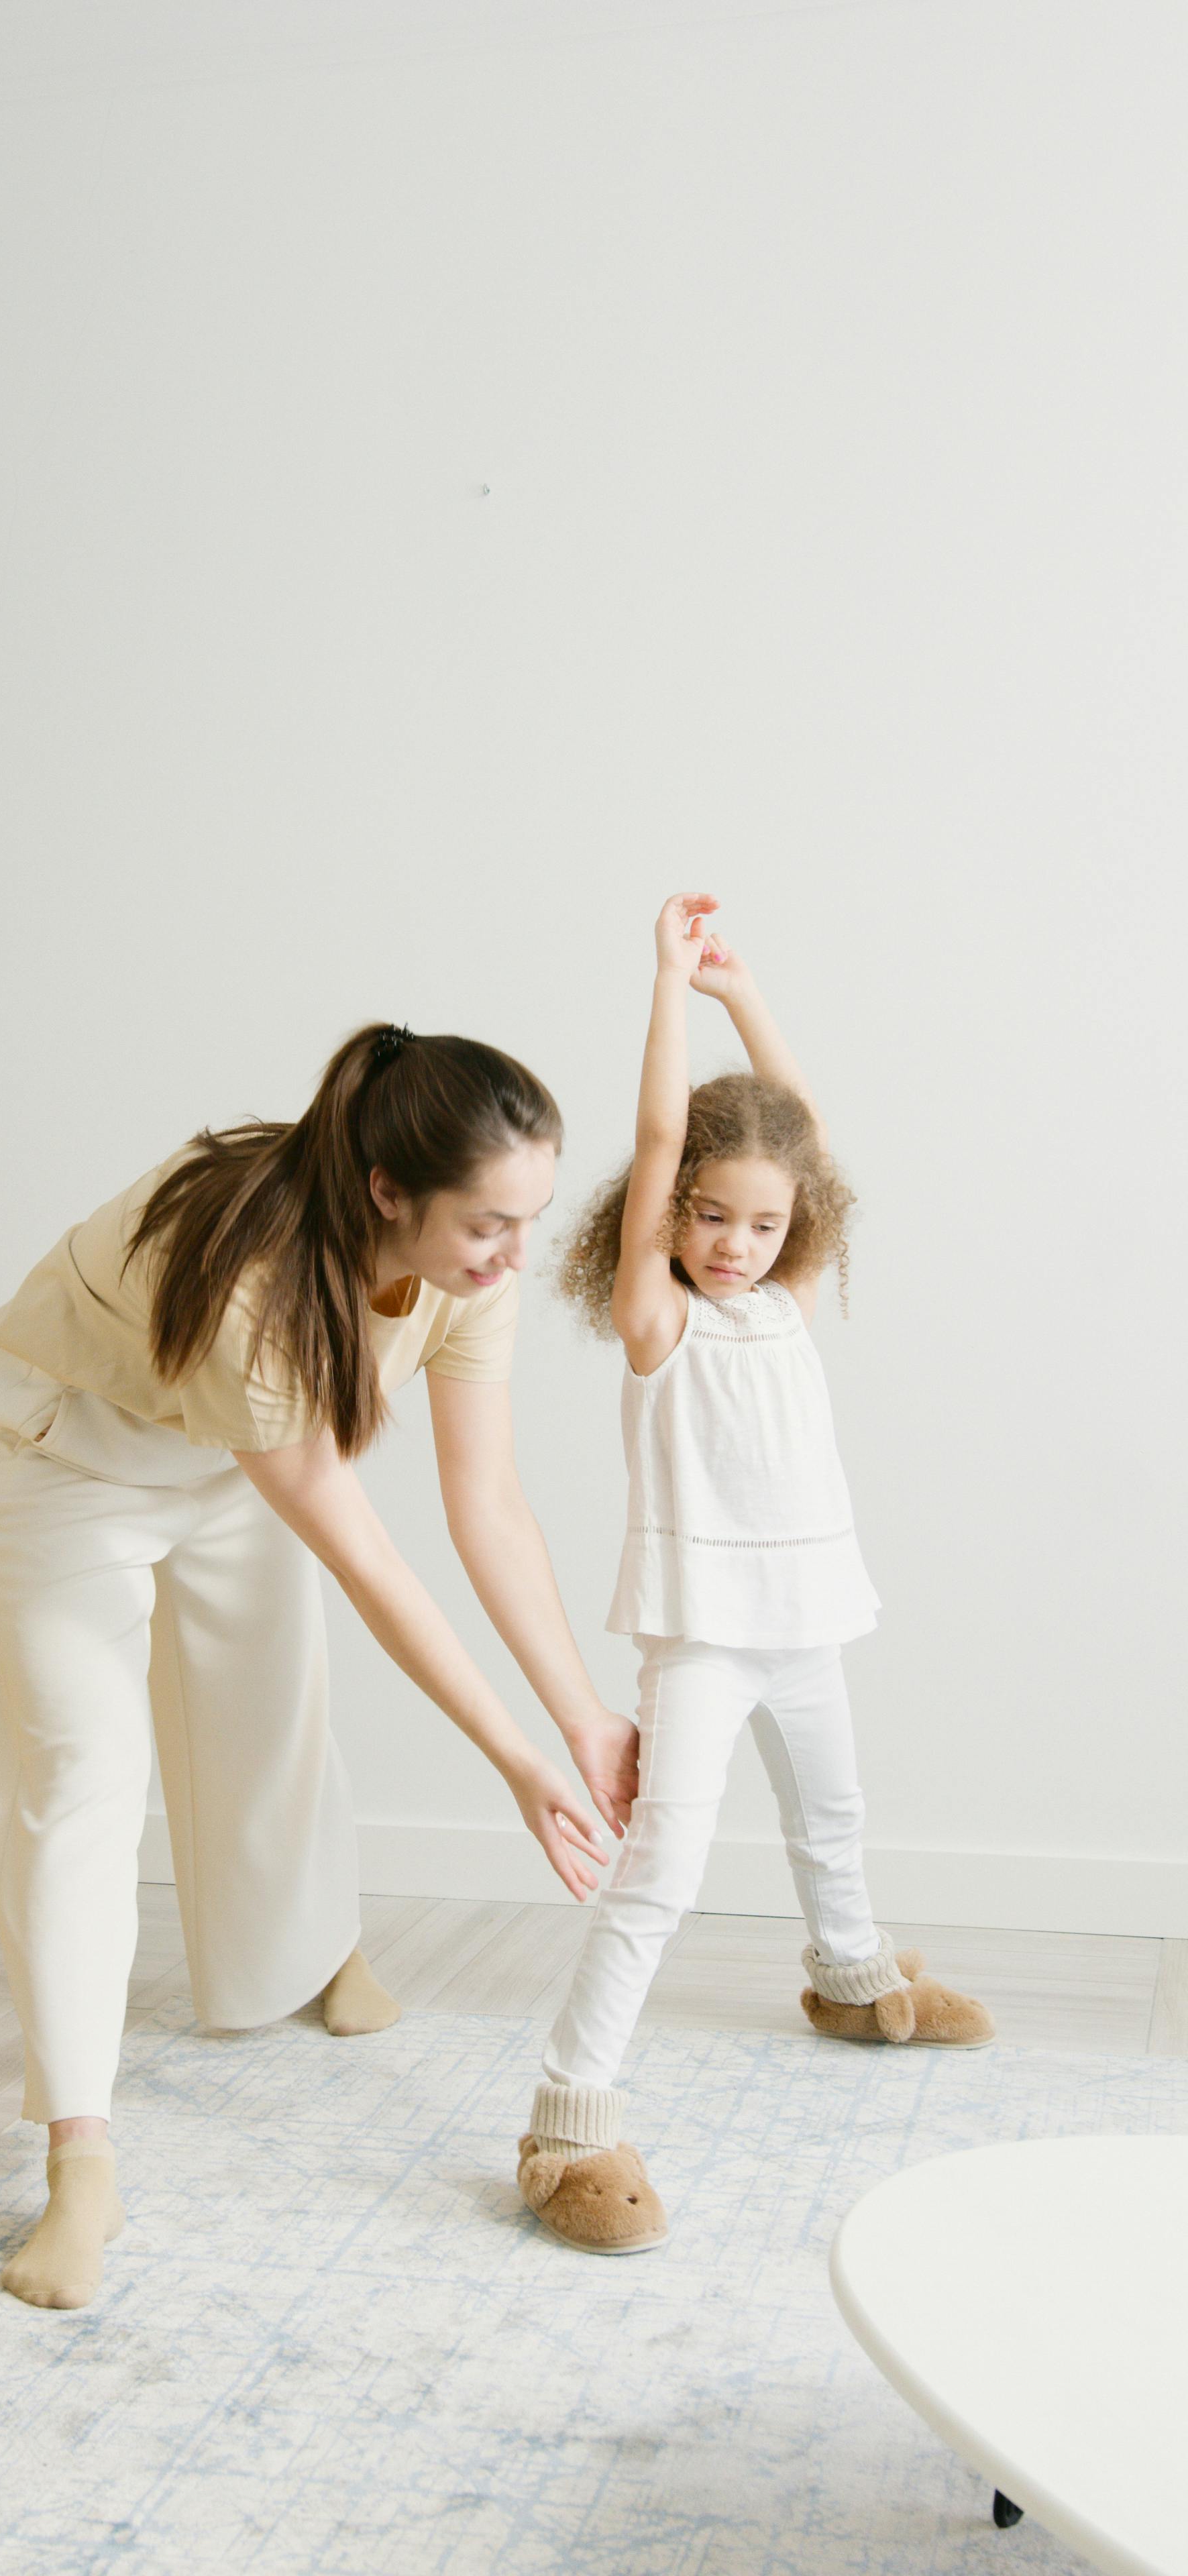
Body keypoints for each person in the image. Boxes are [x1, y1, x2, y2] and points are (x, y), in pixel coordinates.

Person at [0, 1022, 639, 2310]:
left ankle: (312, 1950)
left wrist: (584, 1717)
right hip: (67, 1457)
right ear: (390, 1191)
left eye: (530, 1217)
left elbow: (486, 1507)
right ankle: (79, 2157)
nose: (516, 1255)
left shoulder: (460, 1281)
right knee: (82, 1778)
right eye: (492, 1223)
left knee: (271, 1713)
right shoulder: (260, 1281)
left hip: (225, 1454)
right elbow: (370, 1562)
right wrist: (513, 1759)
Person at [514, 898, 993, 2256]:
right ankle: (567, 2117)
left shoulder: (783, 1297)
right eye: (710, 1219)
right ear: (668, 1220)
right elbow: (666, 1137)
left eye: (762, 1226)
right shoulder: (656, 1317)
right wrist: (670, 987)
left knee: (833, 1812)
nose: (735, 1243)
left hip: (807, 1617)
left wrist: (748, 995)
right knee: (662, 1868)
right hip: (705, 1636)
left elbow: (807, 1138)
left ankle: (850, 1978)